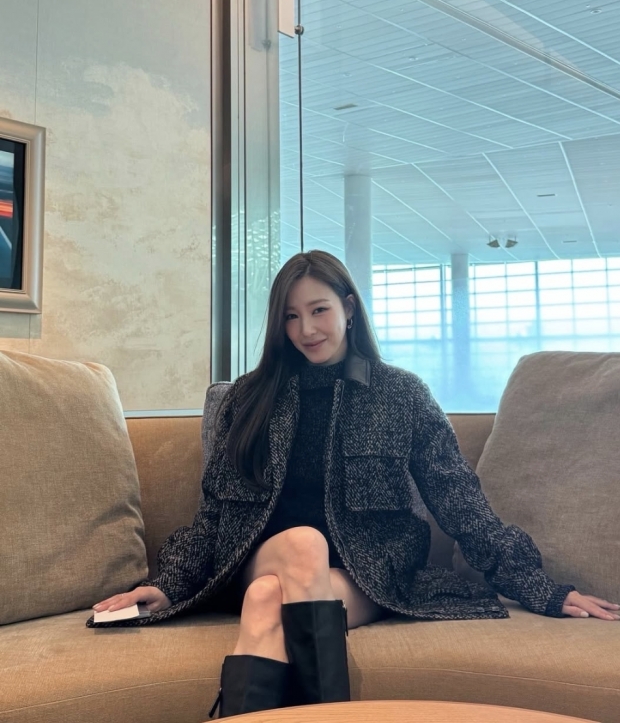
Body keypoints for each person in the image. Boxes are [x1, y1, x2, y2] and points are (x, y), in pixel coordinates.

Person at [92, 250, 619, 718]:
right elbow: (214, 513)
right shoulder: (248, 398)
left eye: (318, 310)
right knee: (302, 545)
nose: (306, 329)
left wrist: (542, 588)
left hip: (367, 571)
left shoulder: (401, 395)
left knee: (266, 601)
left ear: (348, 307)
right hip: (257, 557)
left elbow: (458, 499)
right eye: (291, 316)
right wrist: (170, 583)